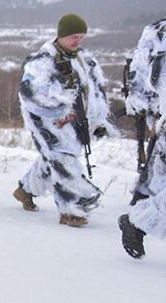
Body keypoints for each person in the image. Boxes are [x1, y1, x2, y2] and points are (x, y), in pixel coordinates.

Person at [13, 14, 118, 227]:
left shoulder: (85, 60)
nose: (77, 41)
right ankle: (71, 209)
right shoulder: (42, 61)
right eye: (72, 36)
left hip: (77, 121)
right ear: (61, 35)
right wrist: (60, 103)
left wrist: (99, 121)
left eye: (81, 36)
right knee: (63, 158)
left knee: (53, 158)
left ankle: (25, 190)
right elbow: (31, 94)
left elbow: (96, 93)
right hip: (47, 122)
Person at [119, 18, 166, 259]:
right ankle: (138, 220)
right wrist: (152, 119)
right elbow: (140, 82)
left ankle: (137, 221)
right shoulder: (158, 34)